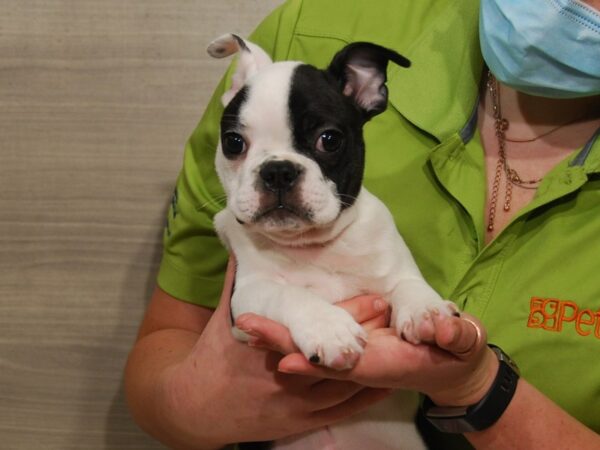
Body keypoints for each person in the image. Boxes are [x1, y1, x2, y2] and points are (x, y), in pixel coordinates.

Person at [124, 0, 600, 448]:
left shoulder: (370, 221)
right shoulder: (315, 17)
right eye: (237, 144)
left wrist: (467, 376)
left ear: (368, 92)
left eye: (326, 140)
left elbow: (401, 282)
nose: (276, 173)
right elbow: (218, 311)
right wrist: (195, 402)